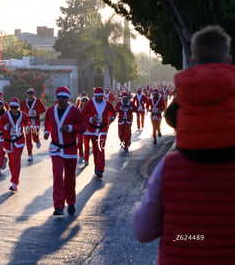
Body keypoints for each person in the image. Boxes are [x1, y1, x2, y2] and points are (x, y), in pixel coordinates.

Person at [133, 25, 235, 263]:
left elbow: (143, 231)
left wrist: (186, 236)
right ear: (228, 60)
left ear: (191, 60)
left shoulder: (168, 168)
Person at [44, 86, 86, 215]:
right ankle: (58, 206)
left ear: (68, 99)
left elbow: (83, 127)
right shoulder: (51, 111)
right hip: (56, 148)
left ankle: (71, 202)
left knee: (69, 178)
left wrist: (70, 128)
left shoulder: (74, 111)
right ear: (56, 98)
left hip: (70, 150)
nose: (61, 100)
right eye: (59, 98)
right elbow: (47, 122)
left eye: (64, 98)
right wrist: (47, 131)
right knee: (57, 177)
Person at [0, 97, 30, 192]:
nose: (14, 109)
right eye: (12, 107)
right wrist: (4, 126)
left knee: (16, 160)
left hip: (19, 141)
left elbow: (27, 123)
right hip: (8, 141)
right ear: (10, 107)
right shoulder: (6, 116)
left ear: (18, 107)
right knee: (11, 162)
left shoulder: (23, 115)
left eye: (16, 107)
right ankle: (15, 179)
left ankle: (14, 183)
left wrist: (27, 127)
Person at [82, 87, 116, 178]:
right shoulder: (89, 104)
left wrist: (112, 118)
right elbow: (83, 115)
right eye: (97, 97)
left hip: (103, 129)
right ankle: (97, 165)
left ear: (103, 96)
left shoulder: (107, 104)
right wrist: (91, 119)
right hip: (92, 130)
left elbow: (113, 112)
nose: (99, 98)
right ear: (94, 96)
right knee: (95, 151)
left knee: (101, 149)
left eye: (101, 96)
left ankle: (100, 169)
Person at [20, 87, 46, 162]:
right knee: (28, 139)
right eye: (28, 93)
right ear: (27, 94)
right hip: (27, 123)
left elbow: (43, 109)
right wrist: (25, 114)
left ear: (33, 94)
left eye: (31, 93)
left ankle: (37, 141)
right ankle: (30, 155)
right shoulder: (24, 102)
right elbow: (21, 111)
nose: (29, 94)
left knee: (34, 137)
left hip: (36, 122)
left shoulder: (37, 101)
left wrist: (36, 112)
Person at [76, 96, 89, 164]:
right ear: (81, 102)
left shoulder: (90, 110)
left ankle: (86, 159)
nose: (84, 102)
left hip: (87, 129)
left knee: (87, 145)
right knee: (79, 142)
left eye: (86, 101)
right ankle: (81, 155)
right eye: (83, 101)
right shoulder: (78, 110)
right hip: (80, 129)